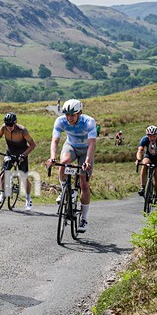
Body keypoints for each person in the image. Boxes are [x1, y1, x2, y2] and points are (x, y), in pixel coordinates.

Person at [45, 99, 97, 233]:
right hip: (71, 146)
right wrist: (52, 157)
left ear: (79, 113)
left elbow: (92, 144)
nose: (69, 118)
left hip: (86, 150)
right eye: (67, 115)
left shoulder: (89, 122)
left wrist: (87, 161)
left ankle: (84, 218)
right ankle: (65, 190)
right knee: (63, 162)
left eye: (72, 115)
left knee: (84, 184)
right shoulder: (60, 121)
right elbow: (55, 140)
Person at [0, 112, 36, 210]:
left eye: (11, 125)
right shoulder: (3, 128)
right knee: (3, 174)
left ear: (15, 122)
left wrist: (24, 155)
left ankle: (28, 198)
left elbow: (32, 145)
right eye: (7, 124)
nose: (9, 127)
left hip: (22, 154)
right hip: (10, 153)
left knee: (23, 177)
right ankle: (3, 193)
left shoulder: (22, 130)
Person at [136, 125, 157, 201]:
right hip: (149, 156)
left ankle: (156, 195)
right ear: (147, 136)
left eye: (154, 136)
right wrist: (138, 159)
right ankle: (143, 187)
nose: (152, 138)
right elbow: (140, 151)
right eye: (150, 136)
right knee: (144, 165)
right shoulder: (144, 139)